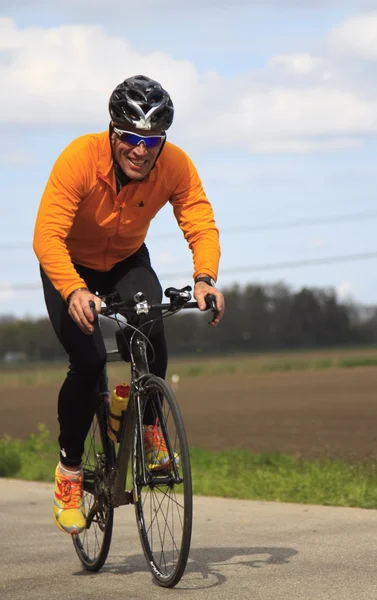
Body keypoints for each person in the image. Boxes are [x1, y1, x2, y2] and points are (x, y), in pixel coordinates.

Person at [33, 74, 225, 536]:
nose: (141, 150)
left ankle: (149, 427)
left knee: (149, 324)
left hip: (125, 261)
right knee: (89, 359)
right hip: (70, 265)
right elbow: (47, 236)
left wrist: (205, 278)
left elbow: (198, 218)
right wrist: (73, 289)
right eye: (132, 138)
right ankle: (70, 473)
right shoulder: (80, 158)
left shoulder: (174, 164)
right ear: (114, 131)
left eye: (152, 140)